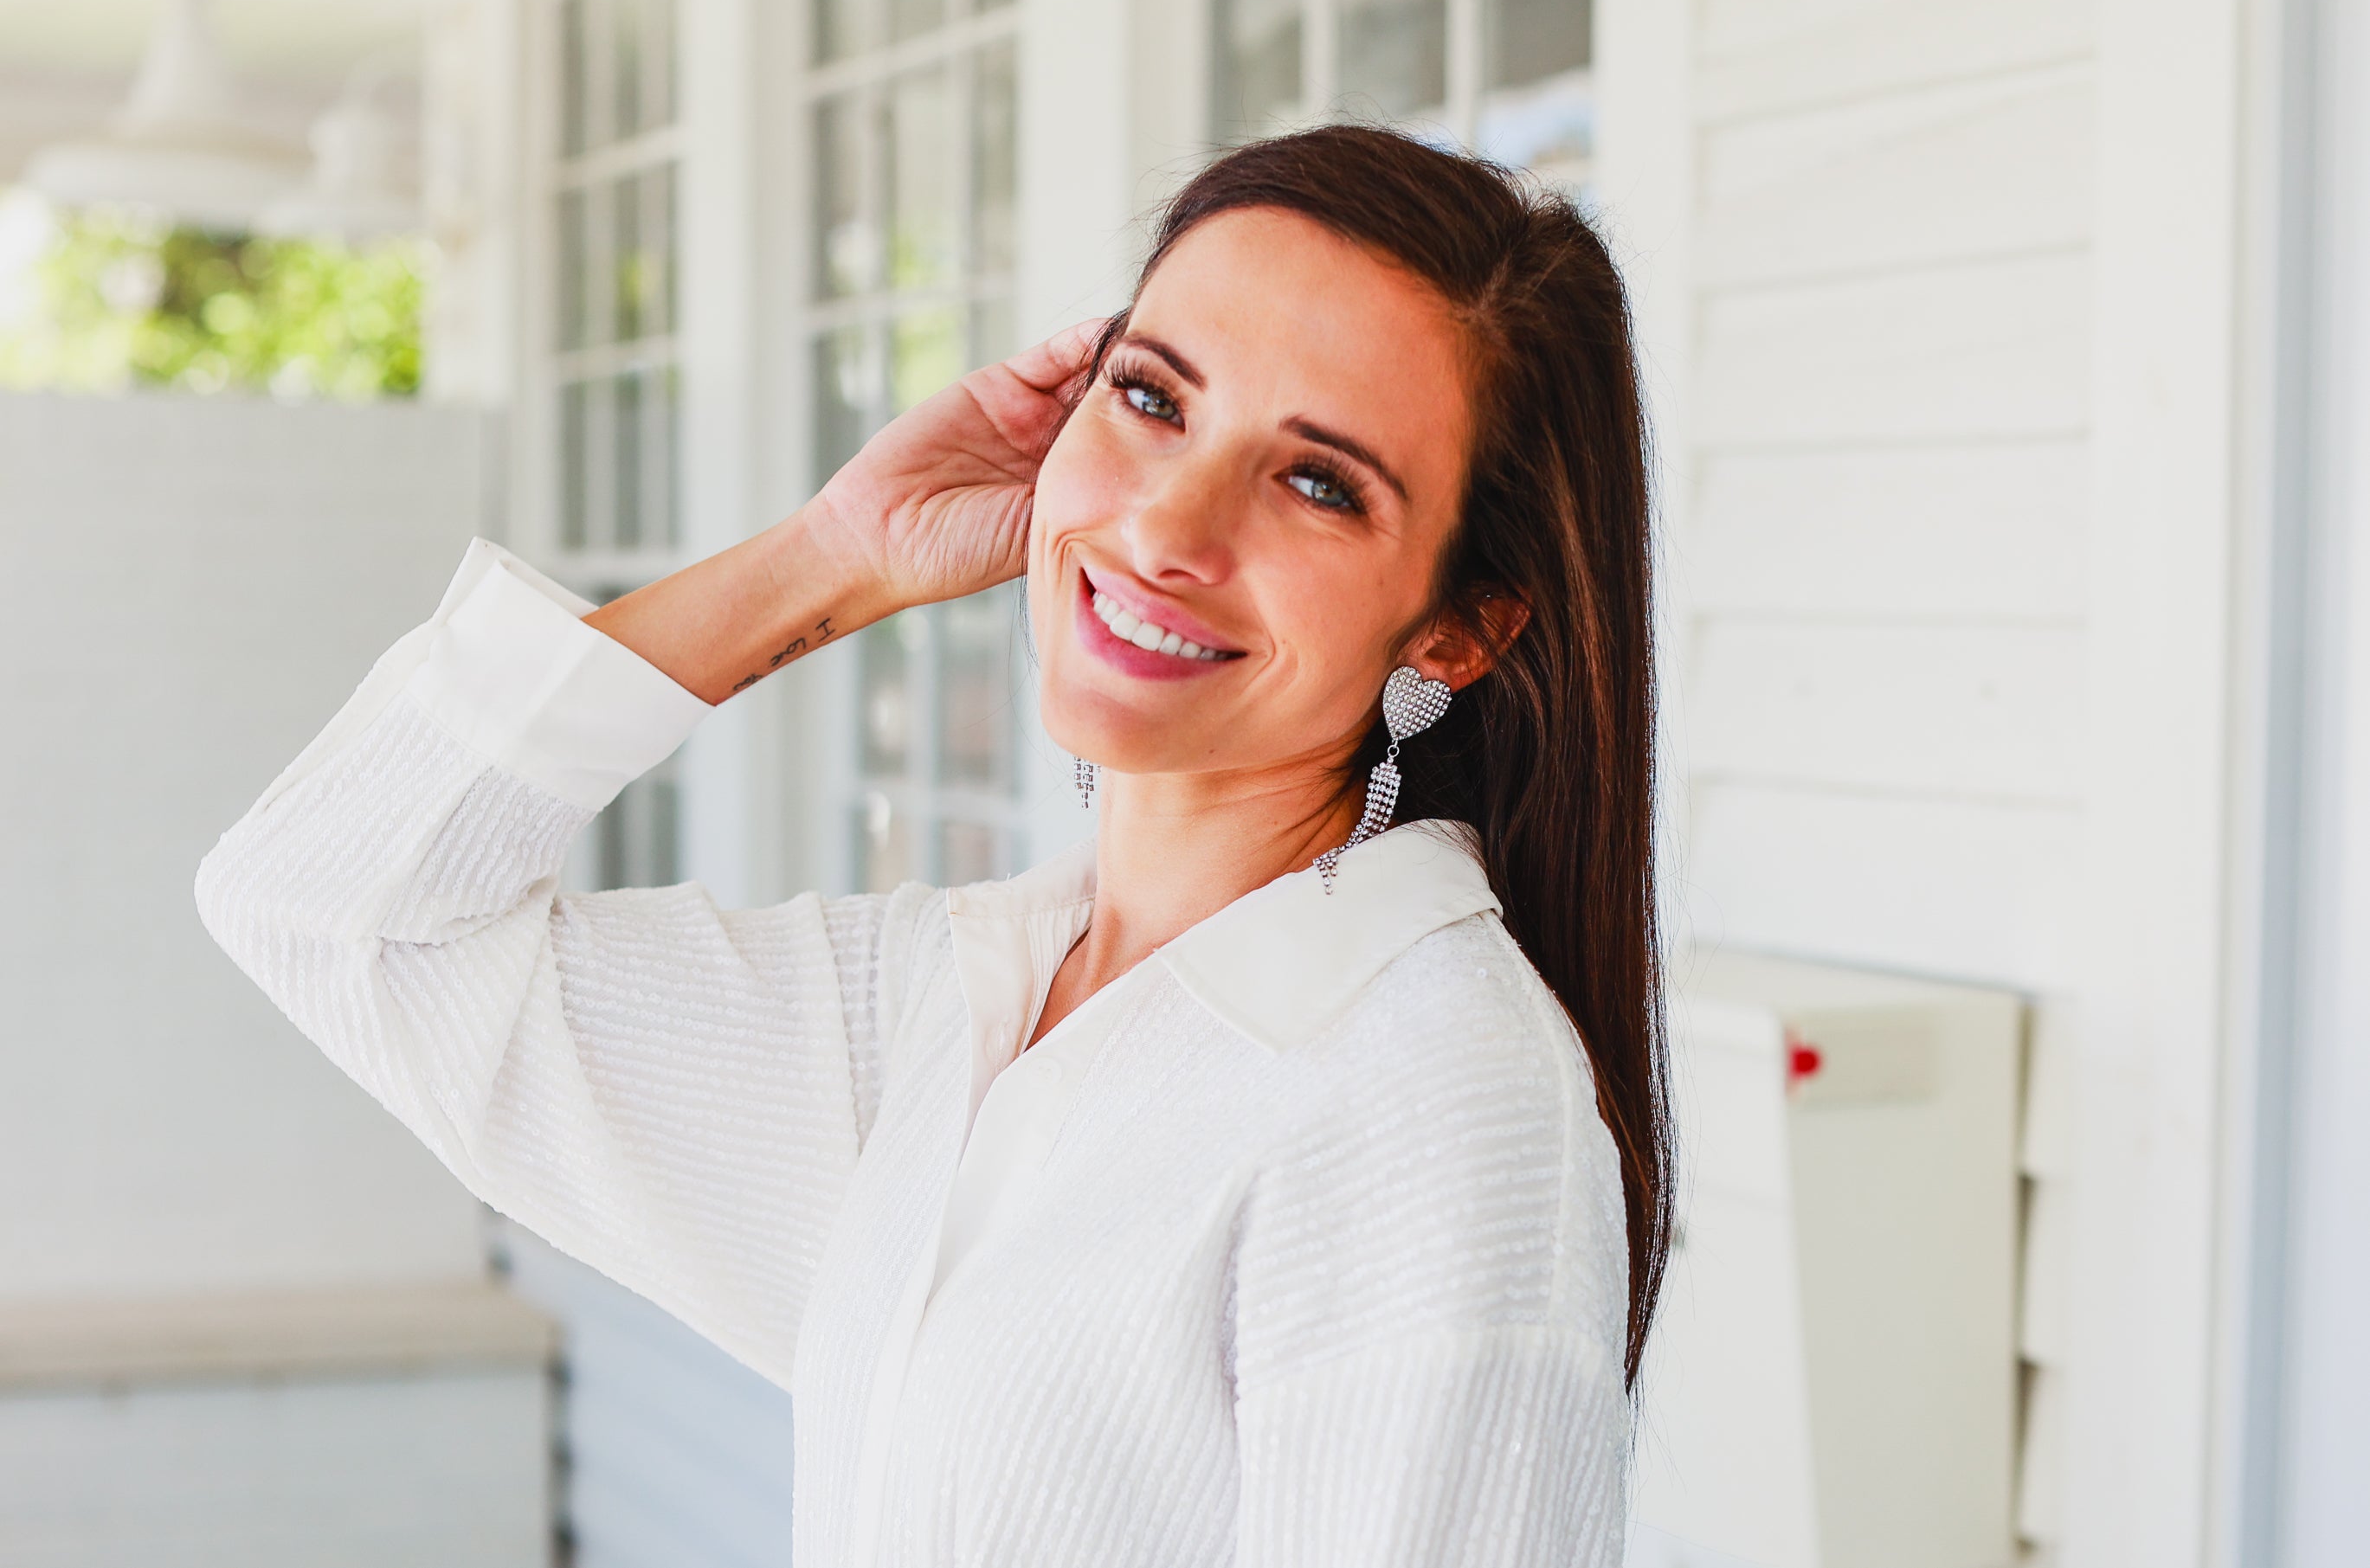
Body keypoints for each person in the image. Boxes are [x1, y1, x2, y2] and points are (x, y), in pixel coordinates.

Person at [195, 124, 1669, 1566]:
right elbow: (330, 910)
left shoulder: (1437, 1097)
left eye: (1318, 482)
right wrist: (834, 551)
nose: (1167, 526)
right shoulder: (947, 1009)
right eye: (1150, 397)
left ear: (1460, 627)